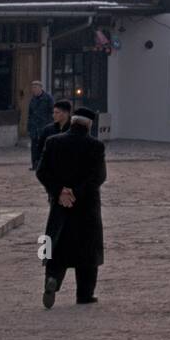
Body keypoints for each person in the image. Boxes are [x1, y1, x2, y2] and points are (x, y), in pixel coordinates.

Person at [36, 106, 106, 308]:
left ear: (72, 121)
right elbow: (99, 177)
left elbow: (41, 172)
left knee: (56, 246)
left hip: (59, 206)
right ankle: (84, 294)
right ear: (89, 125)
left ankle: (52, 280)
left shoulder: (53, 142)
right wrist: (76, 192)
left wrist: (60, 191)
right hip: (87, 207)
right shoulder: (95, 147)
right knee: (87, 252)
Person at [36, 99, 72, 167]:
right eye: (53, 112)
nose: (53, 115)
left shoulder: (74, 129)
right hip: (51, 169)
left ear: (66, 113)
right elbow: (40, 150)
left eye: (57, 112)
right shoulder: (47, 130)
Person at [27, 81, 54, 170]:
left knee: (45, 147)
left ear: (40, 88)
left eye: (35, 88)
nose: (33, 90)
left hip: (44, 126)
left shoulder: (48, 98)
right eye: (32, 88)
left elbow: (53, 112)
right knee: (34, 147)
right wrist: (29, 127)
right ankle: (35, 165)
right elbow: (30, 115)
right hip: (34, 127)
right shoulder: (32, 100)